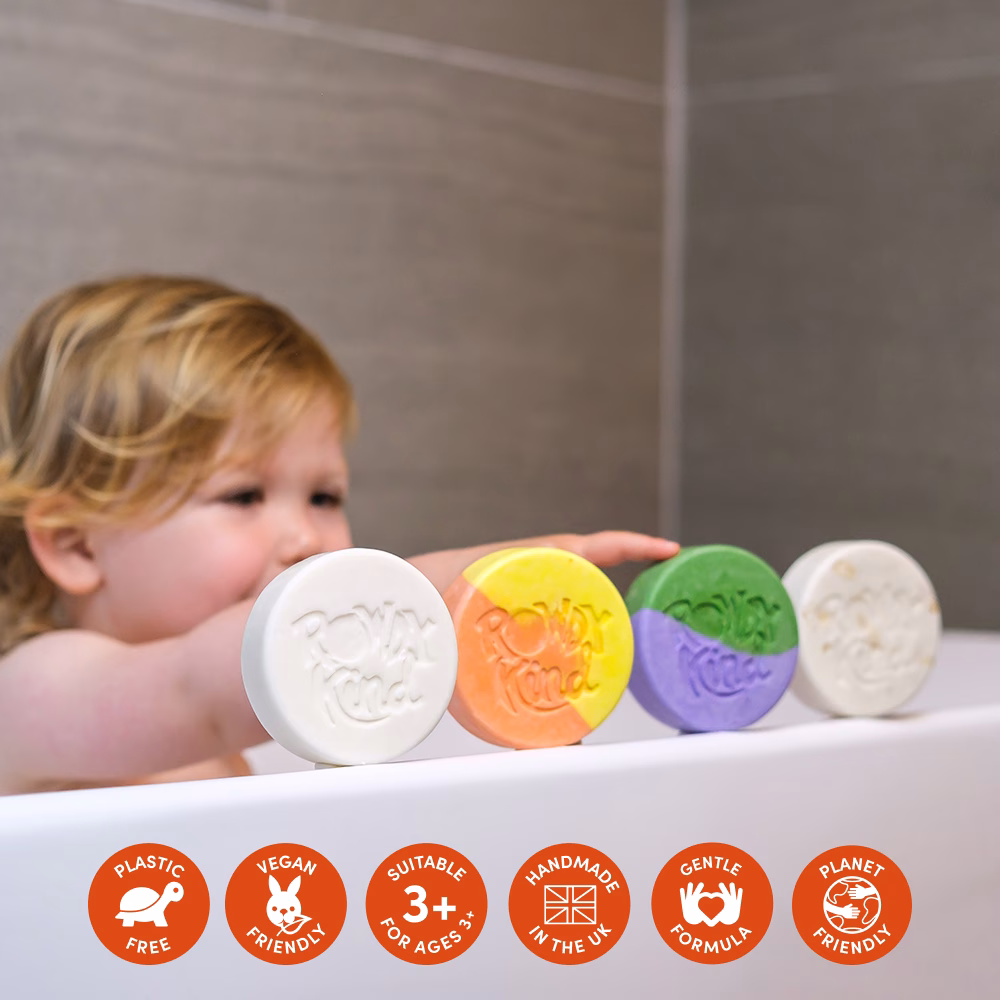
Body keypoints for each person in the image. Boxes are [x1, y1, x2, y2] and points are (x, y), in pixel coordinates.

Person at [0, 276, 677, 794]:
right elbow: (196, 689)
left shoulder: (273, 716)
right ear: (75, 544)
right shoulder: (37, 689)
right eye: (243, 495)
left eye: (324, 496)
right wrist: (455, 585)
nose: (303, 538)